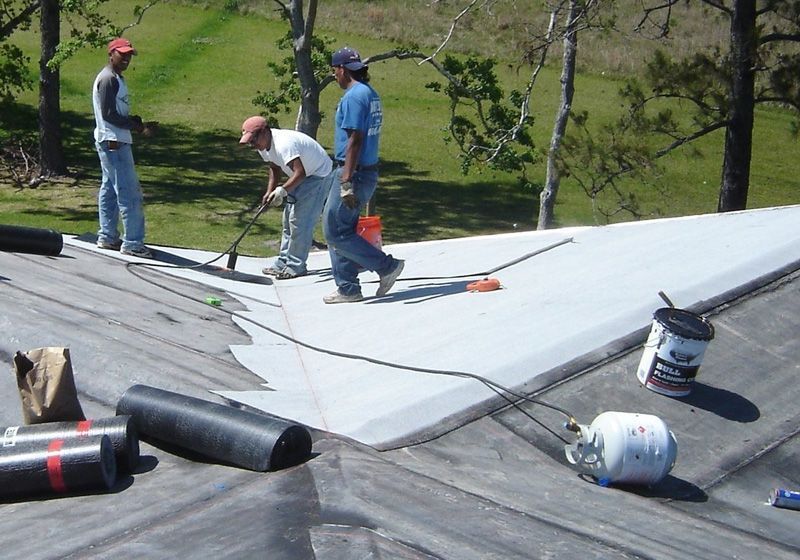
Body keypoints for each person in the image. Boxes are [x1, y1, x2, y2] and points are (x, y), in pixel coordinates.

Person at [321, 47, 404, 304]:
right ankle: (348, 288)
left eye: (335, 70)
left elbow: (355, 139)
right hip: (366, 171)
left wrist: (346, 178)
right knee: (343, 229)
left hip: (353, 173)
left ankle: (386, 266)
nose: (334, 75)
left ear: (342, 70)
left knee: (335, 232)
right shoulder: (370, 94)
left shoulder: (353, 97)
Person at [240, 116, 334, 279]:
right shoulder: (263, 146)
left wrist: (282, 191)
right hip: (305, 175)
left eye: (253, 139)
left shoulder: (284, 144)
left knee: (299, 222)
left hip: (319, 174)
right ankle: (283, 262)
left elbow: (300, 173)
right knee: (287, 221)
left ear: (264, 131)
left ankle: (295, 266)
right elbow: (274, 168)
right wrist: (269, 191)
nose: (252, 144)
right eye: (249, 141)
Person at [92, 37, 152, 258]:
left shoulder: (116, 77)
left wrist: (133, 121)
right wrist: (136, 127)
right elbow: (109, 114)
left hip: (111, 140)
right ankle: (133, 242)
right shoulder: (109, 79)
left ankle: (107, 236)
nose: (126, 58)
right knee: (129, 193)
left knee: (109, 189)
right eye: (122, 54)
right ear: (111, 54)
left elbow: (114, 111)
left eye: (129, 55)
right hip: (114, 142)